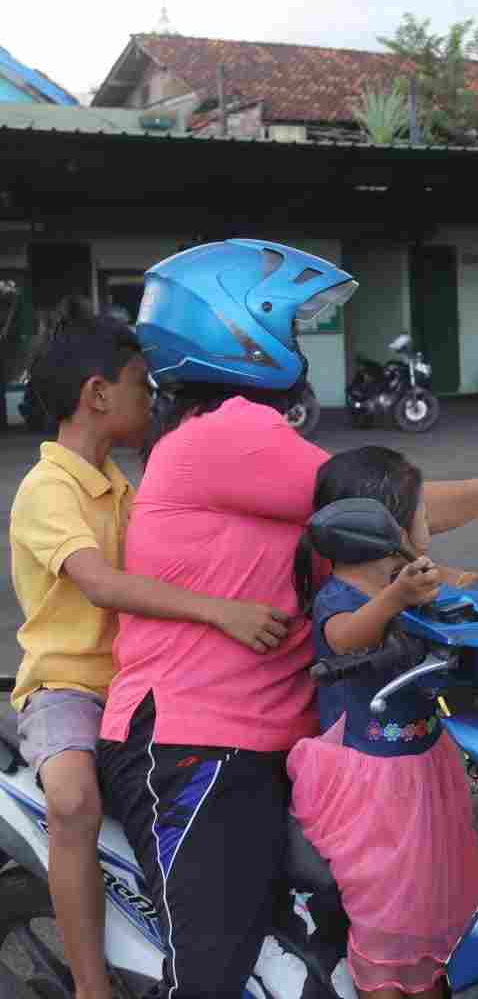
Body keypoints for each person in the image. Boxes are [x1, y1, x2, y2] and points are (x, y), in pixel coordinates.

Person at [94, 238, 478, 998]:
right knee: (209, 973)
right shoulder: (226, 434)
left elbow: (373, 551)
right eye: (292, 323)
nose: (302, 342)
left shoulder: (223, 438)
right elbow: (387, 506)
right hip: (197, 743)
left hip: (283, 736)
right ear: (241, 329)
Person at [9, 316, 289, 999]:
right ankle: (90, 985)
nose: (152, 398)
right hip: (70, 685)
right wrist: (222, 611)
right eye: (141, 384)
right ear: (97, 394)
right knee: (73, 799)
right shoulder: (47, 488)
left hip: (142, 684)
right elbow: (102, 584)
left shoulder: (122, 484)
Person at [287, 446, 478, 998]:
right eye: (420, 507)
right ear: (376, 527)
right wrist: (397, 598)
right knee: (387, 913)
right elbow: (346, 637)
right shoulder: (342, 595)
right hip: (369, 783)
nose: (430, 516)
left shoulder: (411, 580)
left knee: (433, 906)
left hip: (426, 767)